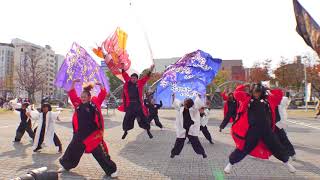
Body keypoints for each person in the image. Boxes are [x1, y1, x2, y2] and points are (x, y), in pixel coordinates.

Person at [224, 83, 296, 174]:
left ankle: (287, 164)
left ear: (262, 92)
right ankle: (230, 164)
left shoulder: (269, 100)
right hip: (253, 130)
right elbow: (236, 94)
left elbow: (279, 95)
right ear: (252, 92)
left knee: (277, 147)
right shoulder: (247, 99)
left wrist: (269, 88)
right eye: (255, 92)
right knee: (244, 148)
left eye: (258, 92)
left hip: (267, 130)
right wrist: (244, 86)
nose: (256, 94)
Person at [58, 80, 117, 178]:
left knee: (100, 153)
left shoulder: (95, 103)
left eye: (85, 97)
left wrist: (101, 86)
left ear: (89, 97)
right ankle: (66, 166)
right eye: (82, 96)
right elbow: (72, 94)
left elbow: (102, 95)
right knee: (72, 149)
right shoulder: (78, 104)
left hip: (92, 135)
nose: (83, 98)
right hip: (80, 134)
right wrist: (73, 83)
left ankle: (111, 170)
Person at [118, 64, 155, 139]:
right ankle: (125, 131)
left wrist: (150, 70)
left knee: (143, 119)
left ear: (137, 79)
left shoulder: (140, 83)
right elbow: (125, 75)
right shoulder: (128, 83)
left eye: (134, 78)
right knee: (127, 119)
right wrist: (122, 69)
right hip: (130, 105)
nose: (133, 79)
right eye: (132, 78)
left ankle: (148, 131)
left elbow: (146, 78)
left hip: (138, 105)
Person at [170, 94, 207, 158]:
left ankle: (202, 153)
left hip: (191, 129)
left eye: (185, 103)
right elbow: (175, 103)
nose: (184, 104)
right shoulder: (181, 107)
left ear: (188, 105)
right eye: (184, 102)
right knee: (179, 142)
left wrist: (198, 97)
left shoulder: (194, 109)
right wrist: (173, 97)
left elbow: (199, 104)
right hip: (182, 128)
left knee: (196, 142)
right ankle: (173, 153)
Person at [275, 94, 296, 160]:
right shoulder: (265, 102)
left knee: (283, 138)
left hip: (277, 124)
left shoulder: (279, 104)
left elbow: (285, 99)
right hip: (270, 124)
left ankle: (292, 153)